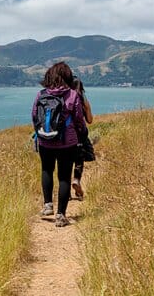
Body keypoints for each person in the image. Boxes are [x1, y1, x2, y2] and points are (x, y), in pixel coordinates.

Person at [31, 62, 86, 227]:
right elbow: (79, 120)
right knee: (64, 177)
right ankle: (61, 216)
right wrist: (81, 135)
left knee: (46, 170)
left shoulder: (41, 95)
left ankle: (48, 205)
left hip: (45, 141)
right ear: (68, 77)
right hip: (67, 143)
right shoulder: (72, 95)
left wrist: (41, 134)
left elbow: (34, 116)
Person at [71, 76, 93, 199]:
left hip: (65, 136)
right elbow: (89, 120)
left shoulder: (63, 99)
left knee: (66, 162)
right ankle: (76, 179)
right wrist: (87, 106)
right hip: (80, 135)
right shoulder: (82, 101)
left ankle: (66, 193)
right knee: (79, 160)